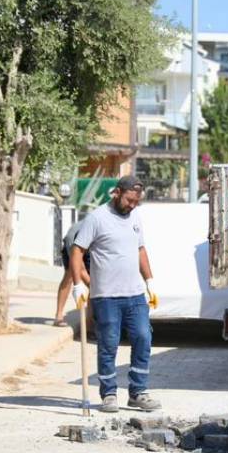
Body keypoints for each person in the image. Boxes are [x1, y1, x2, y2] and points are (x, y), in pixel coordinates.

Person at [70, 176, 159, 413]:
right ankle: (108, 393)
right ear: (117, 193)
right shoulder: (97, 218)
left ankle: (138, 392)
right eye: (129, 200)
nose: (132, 205)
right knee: (109, 344)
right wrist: (78, 284)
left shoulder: (135, 217)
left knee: (143, 338)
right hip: (106, 295)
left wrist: (149, 281)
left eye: (136, 202)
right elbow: (77, 250)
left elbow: (140, 249)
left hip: (135, 294)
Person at [52, 219, 90, 326]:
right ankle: (59, 315)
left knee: (95, 281)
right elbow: (79, 269)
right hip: (73, 246)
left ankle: (90, 322)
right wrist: (86, 286)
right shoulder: (72, 238)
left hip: (91, 249)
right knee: (69, 276)